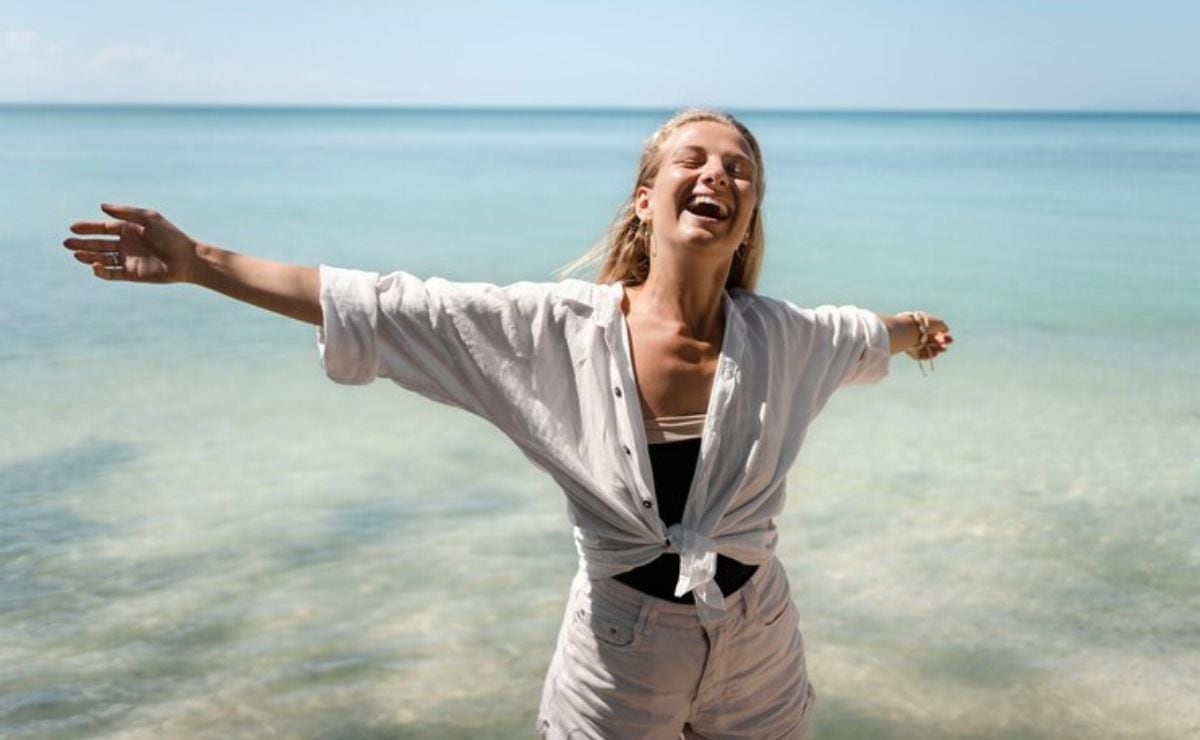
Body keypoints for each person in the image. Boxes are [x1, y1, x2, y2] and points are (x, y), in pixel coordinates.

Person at [62, 108, 952, 739]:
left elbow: (871, 334)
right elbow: (386, 305)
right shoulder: (550, 334)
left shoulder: (789, 336)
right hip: (621, 655)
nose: (719, 172)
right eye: (693, 158)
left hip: (758, 634)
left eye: (739, 167)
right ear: (647, 200)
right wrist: (200, 262)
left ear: (747, 213)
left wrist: (919, 334)